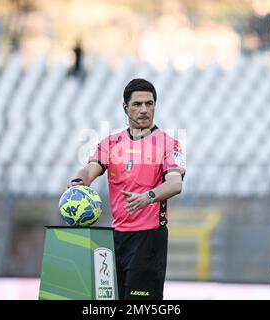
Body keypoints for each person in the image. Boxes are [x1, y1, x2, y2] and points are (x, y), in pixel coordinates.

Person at [67, 78, 186, 300]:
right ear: (125, 107)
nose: (144, 110)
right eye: (137, 104)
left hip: (149, 239)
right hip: (115, 239)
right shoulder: (110, 144)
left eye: (149, 104)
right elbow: (90, 169)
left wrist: (148, 197)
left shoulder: (169, 144)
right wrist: (77, 182)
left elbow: (175, 183)